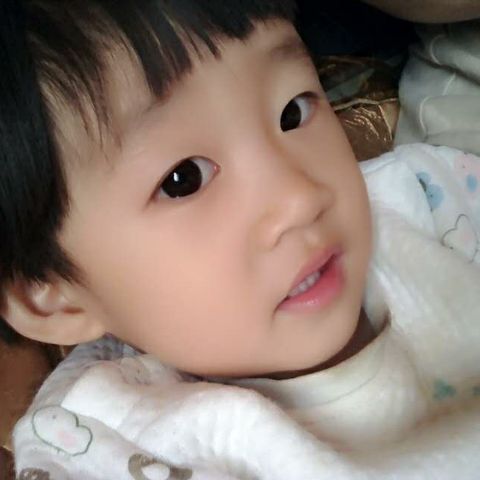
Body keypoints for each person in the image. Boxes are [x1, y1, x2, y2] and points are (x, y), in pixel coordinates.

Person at [1, 1, 480, 479]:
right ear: (51, 298)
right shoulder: (99, 442)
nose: (299, 198)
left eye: (292, 112)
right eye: (183, 179)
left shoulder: (429, 198)